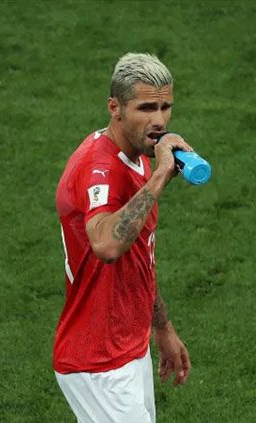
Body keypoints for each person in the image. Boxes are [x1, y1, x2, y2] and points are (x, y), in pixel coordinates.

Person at [54, 52, 192, 422]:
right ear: (115, 107)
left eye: (165, 107)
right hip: (97, 360)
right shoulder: (98, 165)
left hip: (128, 347)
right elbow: (108, 245)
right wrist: (162, 174)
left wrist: (161, 326)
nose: (159, 120)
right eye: (146, 108)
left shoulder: (138, 155)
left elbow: (139, 257)